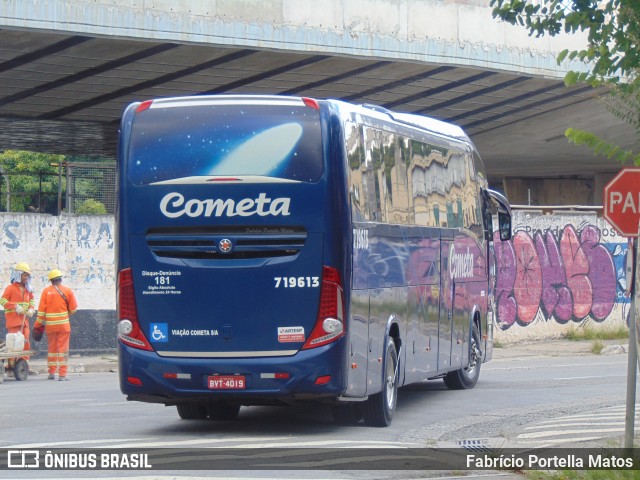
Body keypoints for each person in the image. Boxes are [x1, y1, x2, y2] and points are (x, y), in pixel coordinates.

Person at [34, 269, 78, 381]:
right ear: (60, 279)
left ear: (51, 281)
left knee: (52, 349)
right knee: (63, 350)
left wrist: (37, 325)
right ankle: (62, 375)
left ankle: (51, 372)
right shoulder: (67, 291)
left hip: (50, 326)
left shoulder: (45, 292)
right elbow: (73, 309)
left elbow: (41, 312)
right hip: (63, 326)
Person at [0, 262, 36, 369]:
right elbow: (2, 301)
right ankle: (11, 366)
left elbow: (32, 301)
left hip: (24, 322)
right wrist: (15, 306)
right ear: (18, 275)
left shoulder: (28, 289)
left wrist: (31, 309)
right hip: (13, 321)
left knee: (25, 343)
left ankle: (23, 366)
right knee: (13, 344)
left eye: (27, 275)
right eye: (24, 275)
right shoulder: (10, 288)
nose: (26, 277)